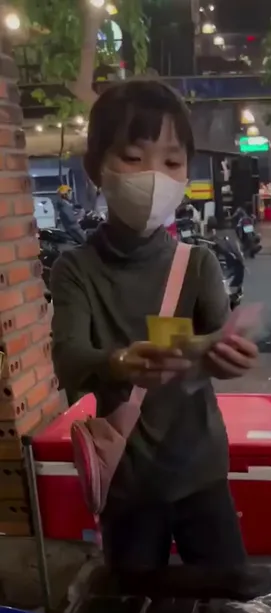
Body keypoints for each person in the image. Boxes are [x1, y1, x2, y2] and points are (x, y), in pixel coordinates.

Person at [50, 78, 258, 575]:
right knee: (133, 604)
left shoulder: (198, 264)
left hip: (201, 473)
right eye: (133, 157)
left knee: (227, 595)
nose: (154, 177)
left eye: (171, 162)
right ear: (95, 167)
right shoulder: (75, 269)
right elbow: (69, 360)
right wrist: (120, 362)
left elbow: (217, 349)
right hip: (127, 481)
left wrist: (229, 357)